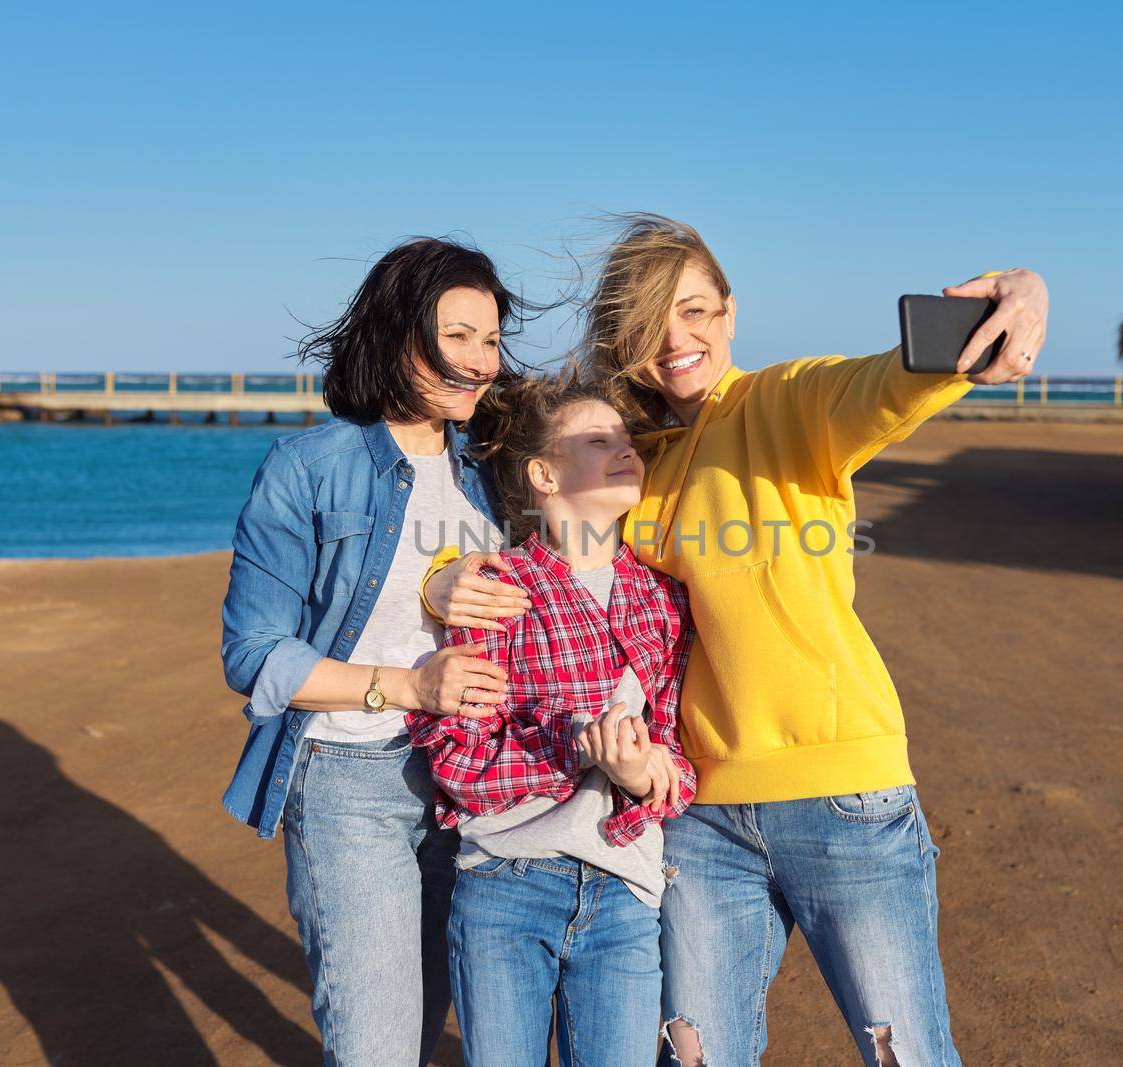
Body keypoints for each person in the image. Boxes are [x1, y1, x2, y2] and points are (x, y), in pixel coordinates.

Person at [425, 214, 1048, 1066]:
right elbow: (546, 525)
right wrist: (441, 577)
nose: (675, 340)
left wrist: (1017, 298)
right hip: (700, 817)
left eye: (694, 312)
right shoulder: (636, 460)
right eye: (649, 325)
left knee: (907, 1057)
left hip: (843, 797)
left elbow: (881, 386)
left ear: (729, 309)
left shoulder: (788, 401)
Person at [217, 237, 534, 1066]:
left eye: (491, 339)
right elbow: (254, 655)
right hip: (349, 782)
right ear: (397, 336)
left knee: (428, 1028)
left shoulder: (494, 474)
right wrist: (411, 683)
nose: (480, 361)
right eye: (456, 336)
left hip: (474, 781)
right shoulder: (309, 468)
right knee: (379, 1044)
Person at [410, 373, 696, 1066]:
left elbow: (682, 768)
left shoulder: (662, 599)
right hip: (507, 885)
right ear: (543, 472)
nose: (626, 450)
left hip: (626, 892)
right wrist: (576, 747)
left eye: (628, 440)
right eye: (599, 440)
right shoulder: (501, 589)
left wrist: (640, 772)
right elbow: (457, 760)